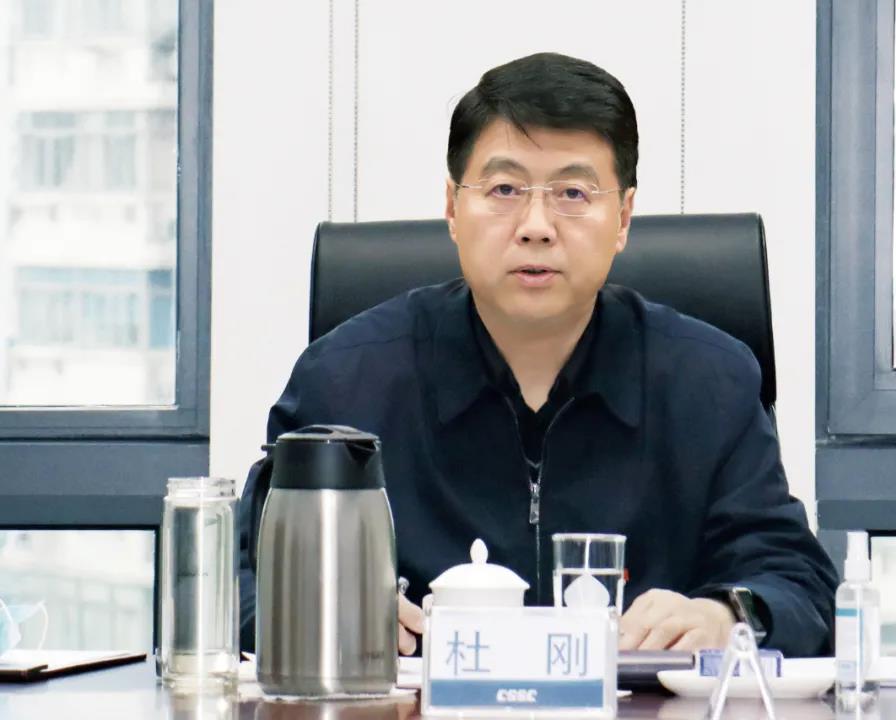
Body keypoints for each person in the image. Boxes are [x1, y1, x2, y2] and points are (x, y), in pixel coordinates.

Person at [237, 52, 838, 657]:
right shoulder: (345, 380)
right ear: (451, 208)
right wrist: (319, 614)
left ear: (624, 217)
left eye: (573, 192)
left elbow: (799, 585)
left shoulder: (710, 383)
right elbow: (239, 585)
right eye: (504, 189)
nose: (536, 226)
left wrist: (725, 616)